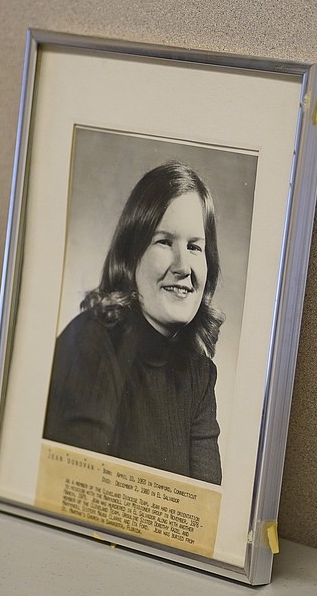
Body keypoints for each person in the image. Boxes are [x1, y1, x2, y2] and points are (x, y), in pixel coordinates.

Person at [43, 162, 224, 484]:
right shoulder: (92, 344)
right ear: (131, 256)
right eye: (164, 242)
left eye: (195, 247)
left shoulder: (199, 375)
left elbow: (205, 510)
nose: (183, 266)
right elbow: (77, 491)